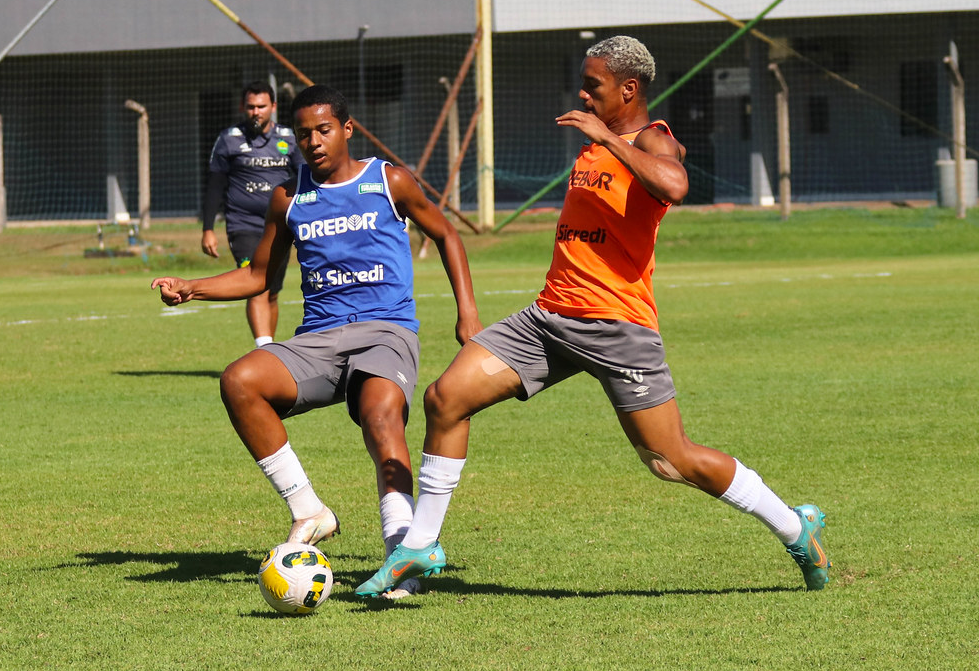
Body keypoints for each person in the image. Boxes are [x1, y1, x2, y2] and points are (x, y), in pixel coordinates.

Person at [356, 36, 831, 598]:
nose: (582, 93)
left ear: (629, 89)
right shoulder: (594, 137)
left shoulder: (652, 138)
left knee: (670, 461)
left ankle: (798, 530)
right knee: (444, 398)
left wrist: (609, 137)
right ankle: (420, 546)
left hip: (618, 329)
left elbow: (676, 185)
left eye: (594, 85)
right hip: (549, 317)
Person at [154, 84, 482, 598]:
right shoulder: (287, 197)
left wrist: (468, 315)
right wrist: (191, 287)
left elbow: (446, 234)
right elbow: (259, 275)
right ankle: (309, 510)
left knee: (381, 417)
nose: (313, 142)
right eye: (303, 134)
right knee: (240, 381)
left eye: (324, 130)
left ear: (347, 129)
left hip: (385, 330)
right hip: (319, 339)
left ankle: (401, 554)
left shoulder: (389, 180)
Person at [202, 80, 303, 348]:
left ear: (273, 107)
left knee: (272, 291)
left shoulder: (289, 138)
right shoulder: (229, 138)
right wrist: (208, 229)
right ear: (242, 107)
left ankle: (269, 354)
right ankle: (266, 350)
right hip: (243, 224)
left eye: (261, 106)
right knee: (255, 284)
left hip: (281, 226)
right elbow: (215, 185)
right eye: (250, 107)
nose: (256, 112)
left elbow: (305, 178)